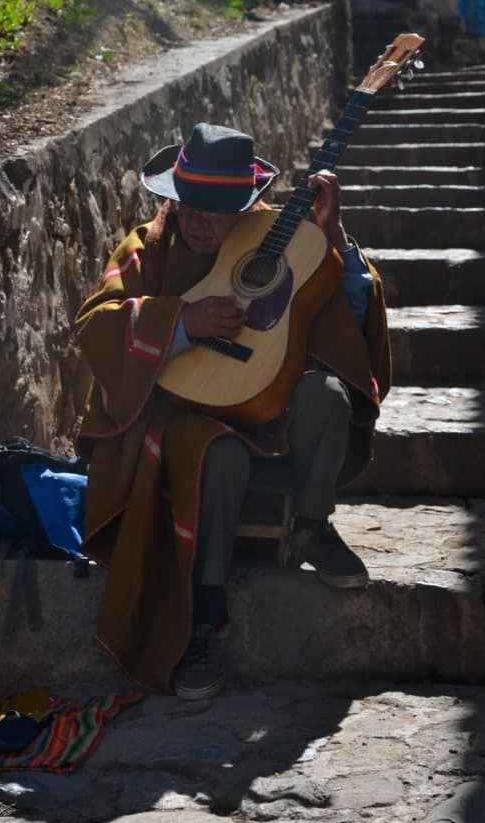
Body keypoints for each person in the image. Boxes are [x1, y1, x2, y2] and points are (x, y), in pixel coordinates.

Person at [74, 123, 391, 700]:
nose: (197, 222)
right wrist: (178, 322)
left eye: (216, 213)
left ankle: (313, 528)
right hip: (183, 413)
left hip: (270, 400)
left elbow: (345, 308)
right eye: (189, 206)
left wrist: (333, 235)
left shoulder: (276, 237)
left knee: (326, 397)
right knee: (213, 455)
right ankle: (204, 620)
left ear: (244, 206)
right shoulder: (148, 245)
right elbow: (95, 321)